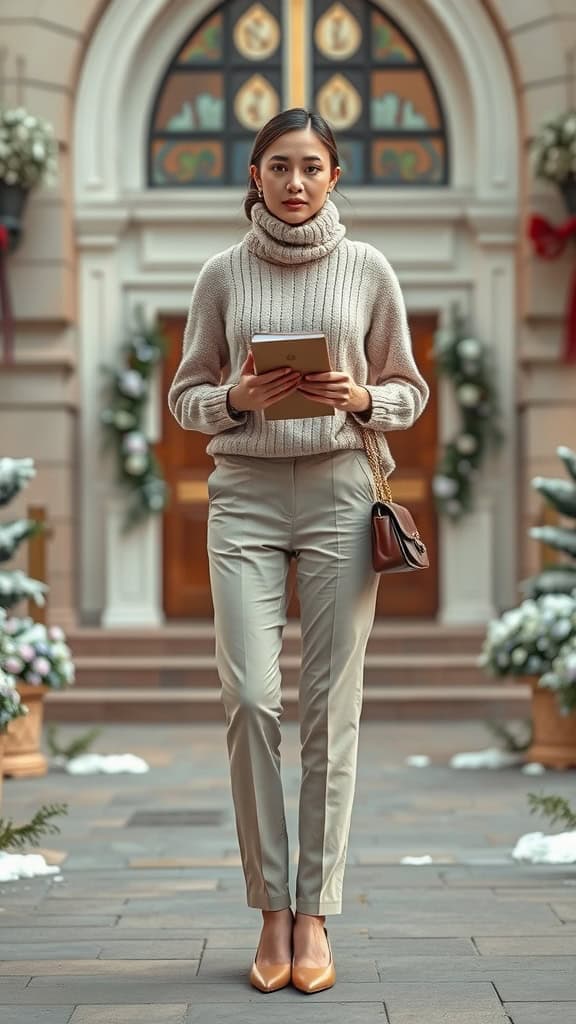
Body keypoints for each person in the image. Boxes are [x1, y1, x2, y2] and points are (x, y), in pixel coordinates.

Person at [168, 107, 429, 994]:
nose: (294, 182)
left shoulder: (368, 271)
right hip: (241, 491)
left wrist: (362, 396)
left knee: (331, 706)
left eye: (311, 166)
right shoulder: (221, 274)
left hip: (340, 489)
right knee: (248, 696)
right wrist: (234, 397)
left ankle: (313, 912)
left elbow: (410, 388)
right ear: (253, 175)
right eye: (278, 166)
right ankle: (268, 906)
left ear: (333, 177)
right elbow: (183, 395)